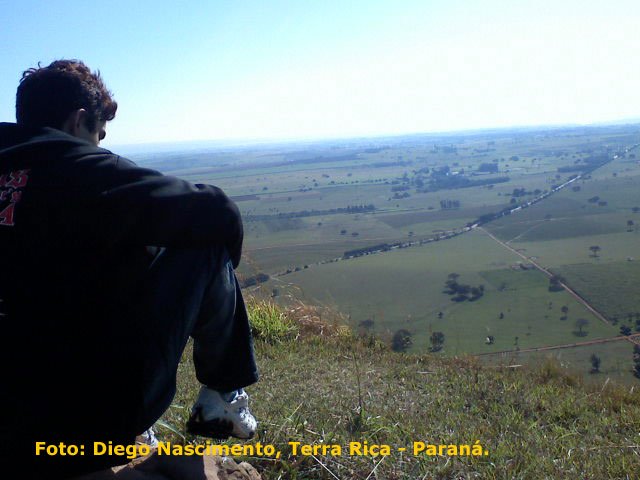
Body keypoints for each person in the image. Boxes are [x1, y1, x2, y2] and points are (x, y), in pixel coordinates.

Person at [0, 60, 259, 479]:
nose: (99, 145)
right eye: (98, 134)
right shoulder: (87, 171)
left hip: (9, 424)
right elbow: (220, 212)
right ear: (78, 121)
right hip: (81, 428)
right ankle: (222, 394)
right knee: (204, 244)